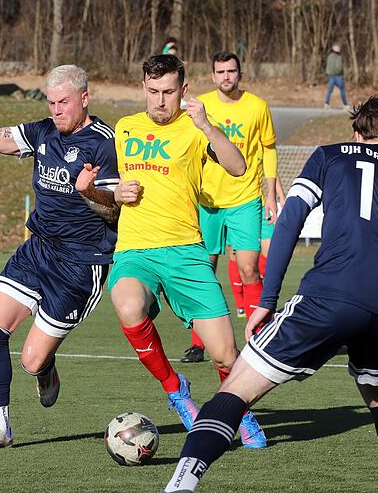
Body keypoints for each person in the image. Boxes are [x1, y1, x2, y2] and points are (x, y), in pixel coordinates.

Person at [162, 91, 378, 493]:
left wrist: (266, 302)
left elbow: (289, 222)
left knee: (236, 388)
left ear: (358, 135)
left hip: (330, 296)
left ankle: (180, 484)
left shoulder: (332, 155)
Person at [0, 65, 120, 450]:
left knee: (30, 360)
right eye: (51, 102)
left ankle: (44, 369)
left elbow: (114, 214)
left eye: (64, 102)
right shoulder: (42, 131)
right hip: (38, 249)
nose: (57, 110)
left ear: (84, 99)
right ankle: (0, 429)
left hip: (81, 263)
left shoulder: (105, 143)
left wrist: (89, 192)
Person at [109, 54, 266, 447]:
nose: (160, 100)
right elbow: (105, 192)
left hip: (186, 253)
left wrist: (208, 126)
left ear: (183, 90)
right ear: (143, 88)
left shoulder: (196, 128)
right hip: (135, 251)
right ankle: (176, 389)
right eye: (153, 91)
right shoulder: (124, 128)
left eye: (168, 92)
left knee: (227, 355)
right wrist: (113, 193)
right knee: (128, 305)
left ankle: (239, 413)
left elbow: (238, 166)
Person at [181, 52, 278, 376]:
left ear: (240, 73)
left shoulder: (257, 106)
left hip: (245, 198)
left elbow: (268, 148)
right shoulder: (199, 106)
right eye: (220, 71)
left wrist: (272, 192)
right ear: (212, 75)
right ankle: (199, 342)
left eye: (231, 71)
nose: (226, 76)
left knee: (249, 267)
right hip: (207, 201)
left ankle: (258, 336)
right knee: (203, 272)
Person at [324, 43, 348, 109]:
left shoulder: (329, 56)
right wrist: (340, 72)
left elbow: (327, 66)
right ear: (334, 48)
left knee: (329, 90)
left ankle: (326, 104)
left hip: (331, 76)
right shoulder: (339, 57)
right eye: (337, 47)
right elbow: (339, 67)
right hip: (338, 76)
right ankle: (345, 105)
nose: (339, 49)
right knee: (342, 90)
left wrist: (328, 73)